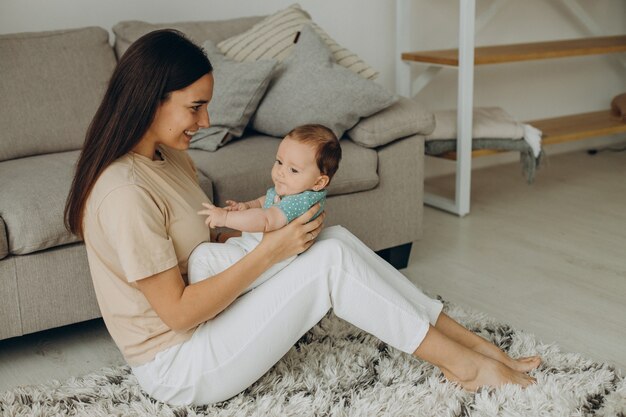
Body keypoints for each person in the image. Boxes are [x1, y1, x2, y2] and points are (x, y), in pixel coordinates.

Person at [64, 29, 540, 406]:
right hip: (180, 363)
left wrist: (261, 226)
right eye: (195, 106)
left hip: (209, 327)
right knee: (328, 266)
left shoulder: (168, 159)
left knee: (335, 241)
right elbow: (178, 312)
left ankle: (476, 350)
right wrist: (272, 250)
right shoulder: (123, 192)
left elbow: (204, 244)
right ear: (152, 98)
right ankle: (467, 367)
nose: (206, 121)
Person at [188, 124, 341, 290]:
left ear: (319, 182)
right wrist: (247, 206)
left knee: (202, 256)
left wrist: (226, 218)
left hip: (270, 261)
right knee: (221, 254)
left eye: (293, 170)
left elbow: (267, 219)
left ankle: (204, 312)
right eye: (279, 162)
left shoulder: (300, 201)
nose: (281, 172)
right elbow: (266, 202)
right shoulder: (294, 191)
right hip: (257, 250)